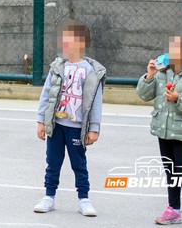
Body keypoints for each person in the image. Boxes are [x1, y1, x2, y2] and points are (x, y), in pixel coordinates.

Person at [34, 20, 105, 218]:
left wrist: (94, 128)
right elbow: (46, 94)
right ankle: (49, 196)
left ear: (81, 43)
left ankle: (84, 199)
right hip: (57, 125)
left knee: (79, 164)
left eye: (69, 38)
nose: (64, 41)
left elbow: (96, 101)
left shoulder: (91, 71)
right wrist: (41, 120)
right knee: (53, 162)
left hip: (77, 128)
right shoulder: (57, 67)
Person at [137, 35, 182, 228]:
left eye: (176, 48)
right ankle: (174, 209)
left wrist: (179, 97)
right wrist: (149, 76)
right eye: (172, 47)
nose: (172, 50)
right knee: (170, 172)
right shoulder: (161, 74)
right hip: (163, 131)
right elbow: (144, 95)